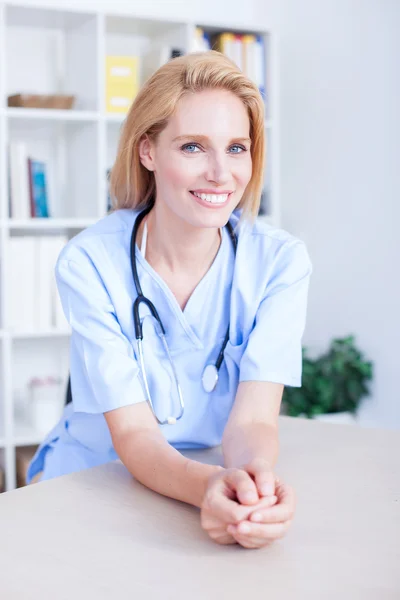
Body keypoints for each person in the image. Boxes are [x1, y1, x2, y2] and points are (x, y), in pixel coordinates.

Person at [27, 50, 312, 549]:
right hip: (94, 478)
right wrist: (207, 489)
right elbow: (136, 436)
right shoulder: (90, 263)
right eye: (194, 147)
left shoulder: (279, 265)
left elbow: (253, 420)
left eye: (237, 148)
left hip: (203, 472)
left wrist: (250, 488)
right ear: (148, 152)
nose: (221, 174)